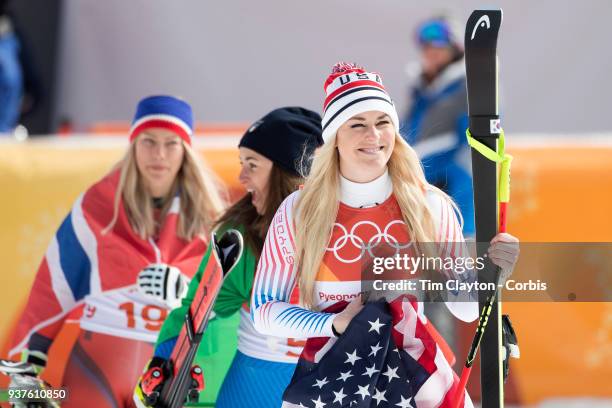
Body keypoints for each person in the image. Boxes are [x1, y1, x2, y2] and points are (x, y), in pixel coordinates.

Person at [251, 63, 520, 407]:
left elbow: (465, 309)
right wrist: (334, 323)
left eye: (383, 123)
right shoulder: (300, 211)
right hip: (335, 380)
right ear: (334, 137)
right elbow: (264, 312)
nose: (374, 136)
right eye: (358, 124)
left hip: (420, 378)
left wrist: (491, 274)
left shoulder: (429, 204)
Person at [9, 95, 225, 407]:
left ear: (186, 150)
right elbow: (53, 286)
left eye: (171, 143)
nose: (159, 154)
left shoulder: (211, 218)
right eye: (148, 141)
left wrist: (184, 294)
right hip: (97, 367)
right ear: (133, 143)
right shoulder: (97, 205)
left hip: (168, 372)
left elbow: (229, 309)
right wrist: (26, 369)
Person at [134, 107, 324, 407]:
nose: (241, 177)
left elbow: (401, 309)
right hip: (253, 380)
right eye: (241, 163)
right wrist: (164, 362)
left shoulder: (357, 229)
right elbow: (196, 309)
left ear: (287, 173)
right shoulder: (242, 236)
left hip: (327, 380)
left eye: (253, 165)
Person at [402, 16, 474, 236]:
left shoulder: (467, 87)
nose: (431, 53)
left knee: (460, 261)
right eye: (427, 48)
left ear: (455, 49)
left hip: (455, 189)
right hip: (419, 188)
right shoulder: (423, 91)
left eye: (439, 47)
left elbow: (465, 141)